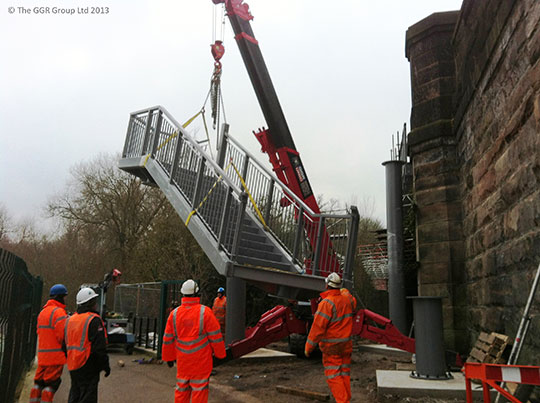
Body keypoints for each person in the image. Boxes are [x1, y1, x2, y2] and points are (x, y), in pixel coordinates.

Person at [162, 279, 226, 403]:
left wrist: (169, 358)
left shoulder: (174, 314)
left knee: (181, 390)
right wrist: (220, 355)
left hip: (183, 362)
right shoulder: (205, 312)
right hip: (201, 362)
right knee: (199, 391)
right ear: (197, 294)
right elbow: (216, 337)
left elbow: (168, 339)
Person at [304, 273, 357, 403]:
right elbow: (351, 299)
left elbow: (317, 329)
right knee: (344, 373)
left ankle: (343, 401)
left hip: (332, 347)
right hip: (346, 345)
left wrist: (308, 347)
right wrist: (344, 290)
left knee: (333, 375)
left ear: (327, 285)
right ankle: (346, 399)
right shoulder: (346, 299)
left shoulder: (326, 304)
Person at [64, 287, 110, 403]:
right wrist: (105, 365)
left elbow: (64, 343)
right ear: (90, 303)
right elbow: (99, 348)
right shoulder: (93, 320)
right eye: (93, 301)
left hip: (73, 364)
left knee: (75, 394)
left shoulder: (70, 320)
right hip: (88, 365)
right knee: (88, 397)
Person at [30, 284, 69, 403]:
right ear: (60, 297)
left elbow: (39, 332)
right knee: (51, 385)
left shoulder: (42, 313)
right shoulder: (59, 313)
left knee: (38, 383)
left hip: (43, 357)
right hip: (55, 358)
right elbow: (63, 336)